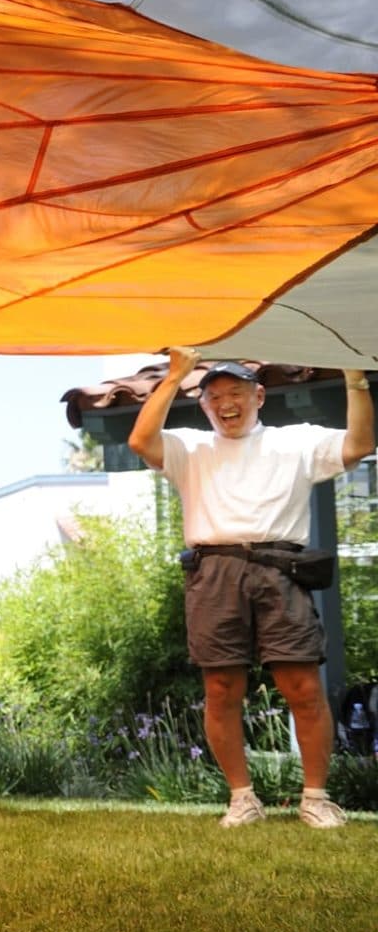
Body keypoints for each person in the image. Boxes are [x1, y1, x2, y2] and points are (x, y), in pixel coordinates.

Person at [127, 349, 372, 828]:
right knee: (221, 690)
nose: (225, 403)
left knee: (302, 686)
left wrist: (355, 379)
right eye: (213, 397)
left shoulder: (297, 442)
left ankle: (316, 799)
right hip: (213, 571)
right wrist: (177, 375)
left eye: (235, 393)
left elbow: (360, 446)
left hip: (280, 568)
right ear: (204, 407)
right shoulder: (188, 448)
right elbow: (139, 439)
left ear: (258, 396)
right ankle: (242, 799)